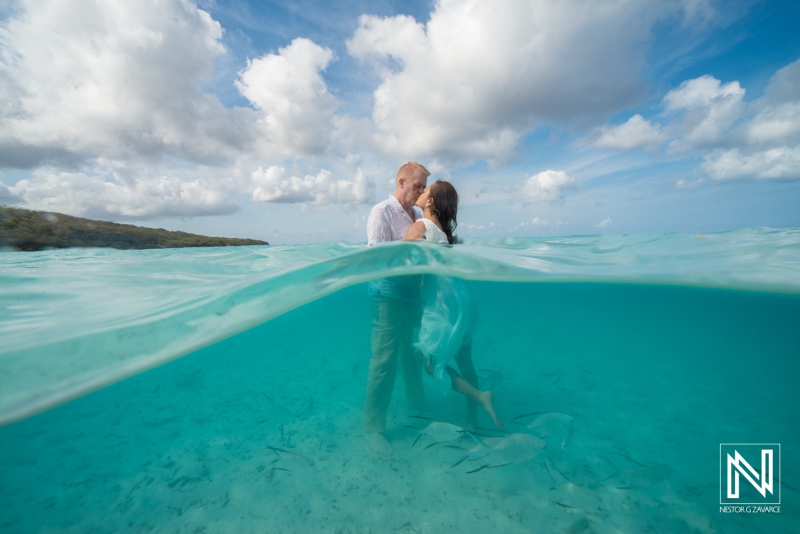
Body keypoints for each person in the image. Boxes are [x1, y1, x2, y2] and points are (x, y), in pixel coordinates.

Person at [405, 180, 503, 430]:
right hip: (463, 299)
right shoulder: (448, 231)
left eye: (425, 190)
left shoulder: (419, 226)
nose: (420, 191)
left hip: (442, 303)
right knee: (465, 360)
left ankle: (481, 397)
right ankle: (472, 419)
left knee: (430, 364)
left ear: (430, 202)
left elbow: (408, 266)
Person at [364, 162, 430, 458]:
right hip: (388, 296)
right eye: (418, 185)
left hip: (412, 296)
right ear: (401, 182)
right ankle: (373, 429)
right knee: (384, 360)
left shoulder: (416, 214)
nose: (422, 192)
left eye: (424, 187)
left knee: (412, 354)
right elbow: (378, 260)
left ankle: (418, 410)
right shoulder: (381, 212)